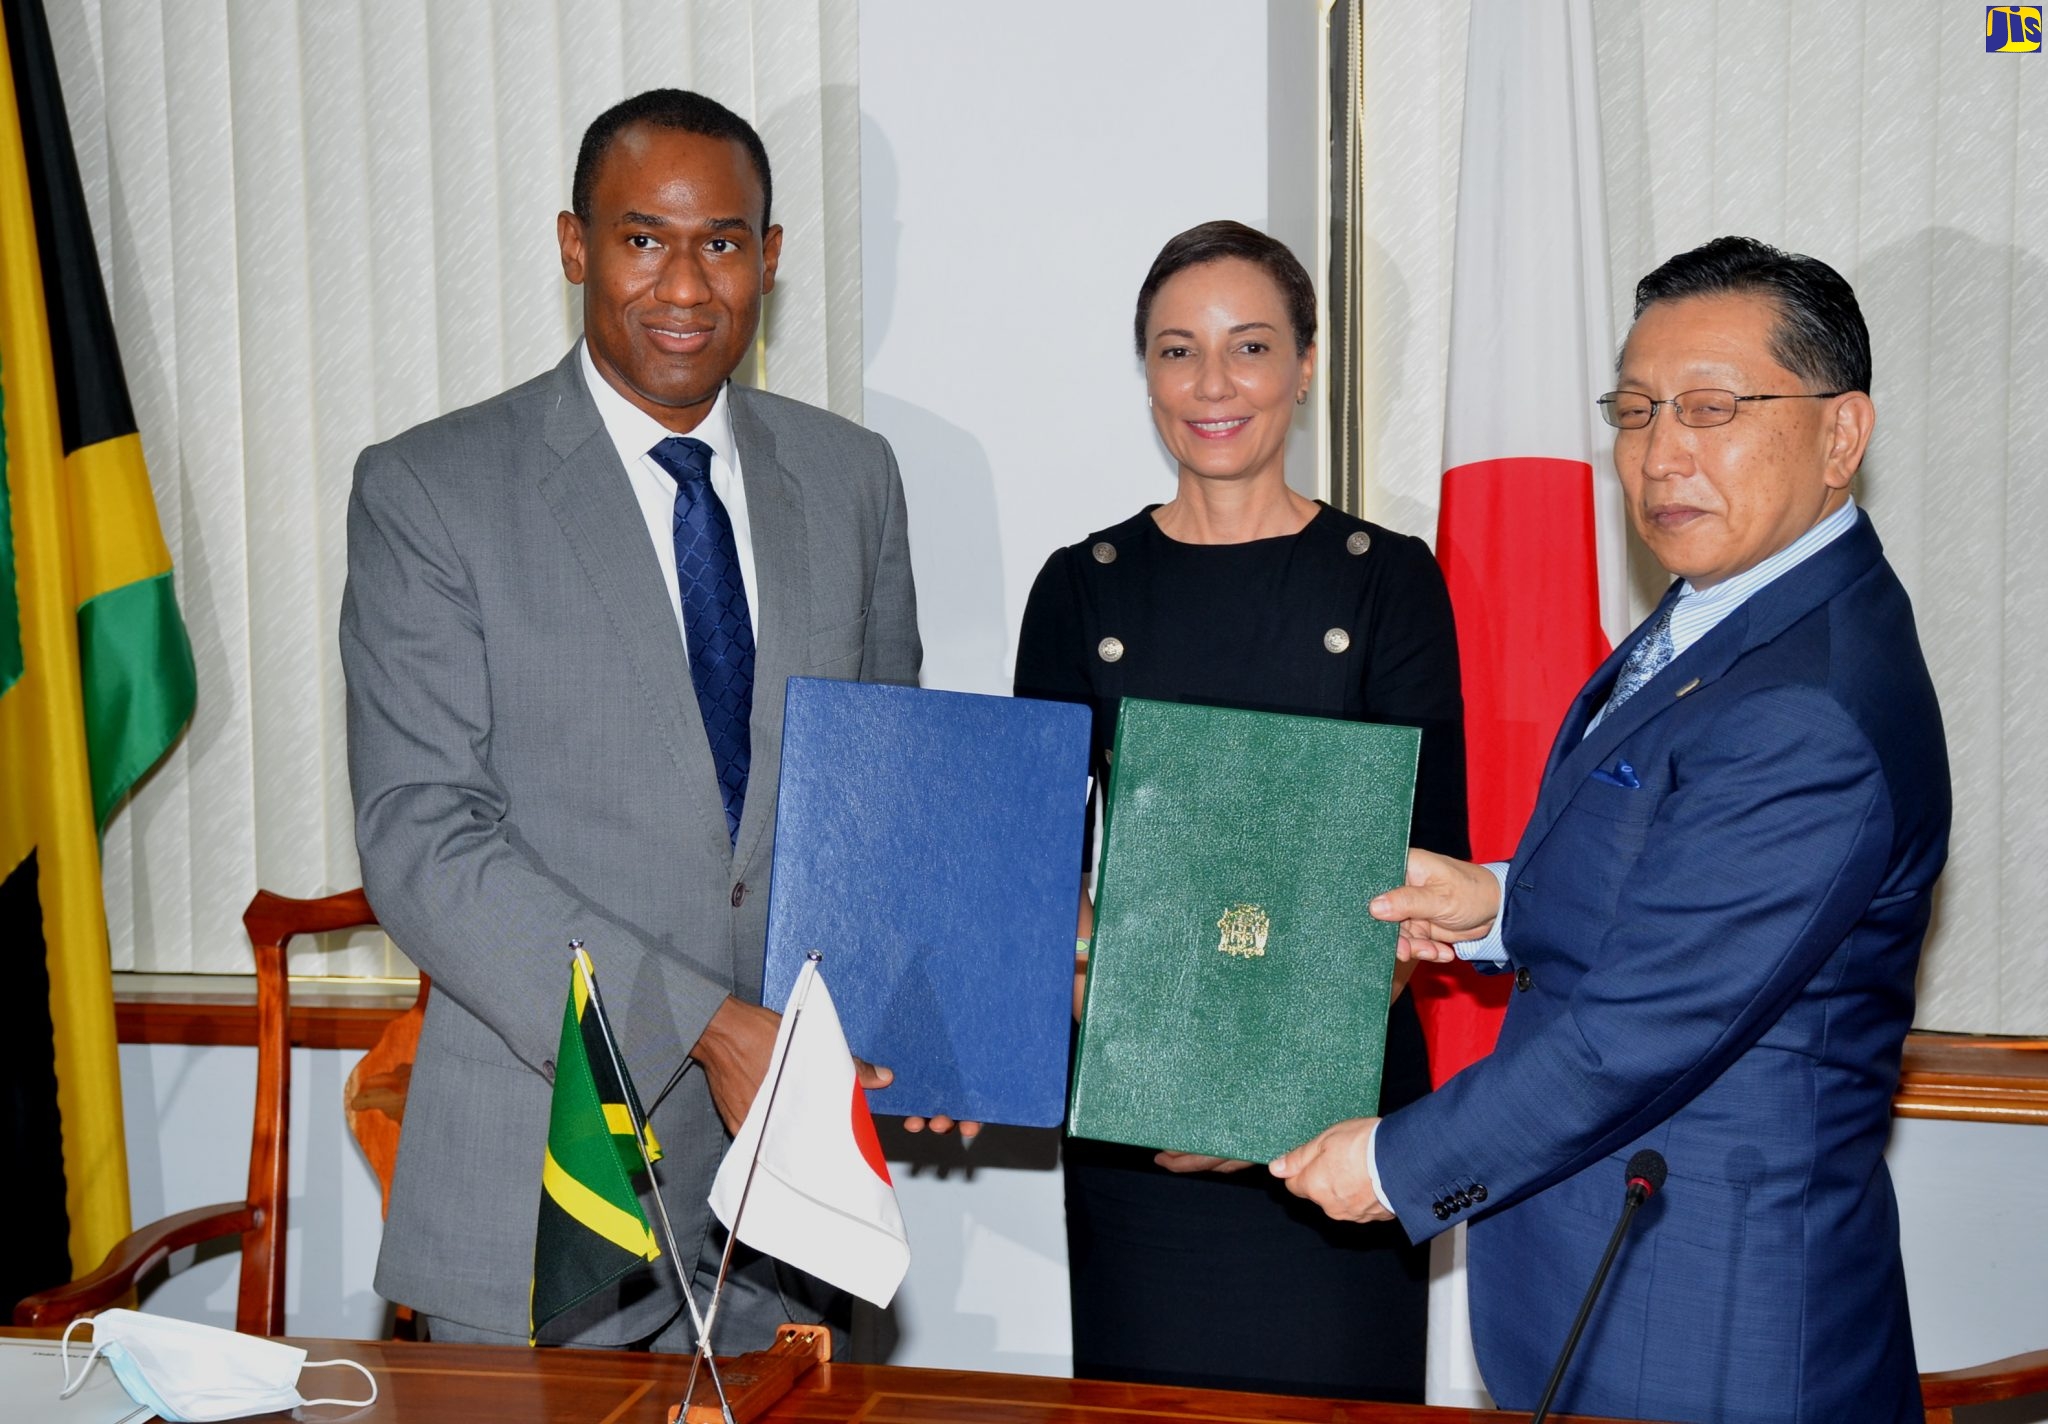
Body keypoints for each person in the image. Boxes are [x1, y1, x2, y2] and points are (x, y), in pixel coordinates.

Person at [1272, 237, 1951, 1424]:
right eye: (1634, 411)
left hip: (1709, 1326)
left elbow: (1643, 1027)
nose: (1658, 454)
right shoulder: (1729, 609)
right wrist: (1498, 906)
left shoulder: (1810, 701)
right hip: (1611, 1279)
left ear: (1840, 434)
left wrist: (1392, 1164)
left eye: (1710, 408)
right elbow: (1674, 878)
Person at [340, 89, 920, 1352]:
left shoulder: (850, 478)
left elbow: (880, 796)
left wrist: (919, 1013)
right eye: (641, 238)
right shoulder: (431, 490)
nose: (684, 284)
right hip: (542, 1192)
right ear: (572, 246)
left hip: (796, 1207)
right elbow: (421, 842)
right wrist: (705, 1025)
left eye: (720, 241)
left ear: (769, 258)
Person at [1014, 220, 1468, 1402]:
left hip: (1338, 1138)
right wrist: (1156, 1071)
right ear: (1147, 374)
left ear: (1304, 364)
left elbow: (1421, 877)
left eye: (1249, 346)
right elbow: (1037, 878)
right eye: (1176, 351)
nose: (1211, 385)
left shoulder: (1387, 579)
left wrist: (1258, 1097)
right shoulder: (1079, 586)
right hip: (1135, 1142)